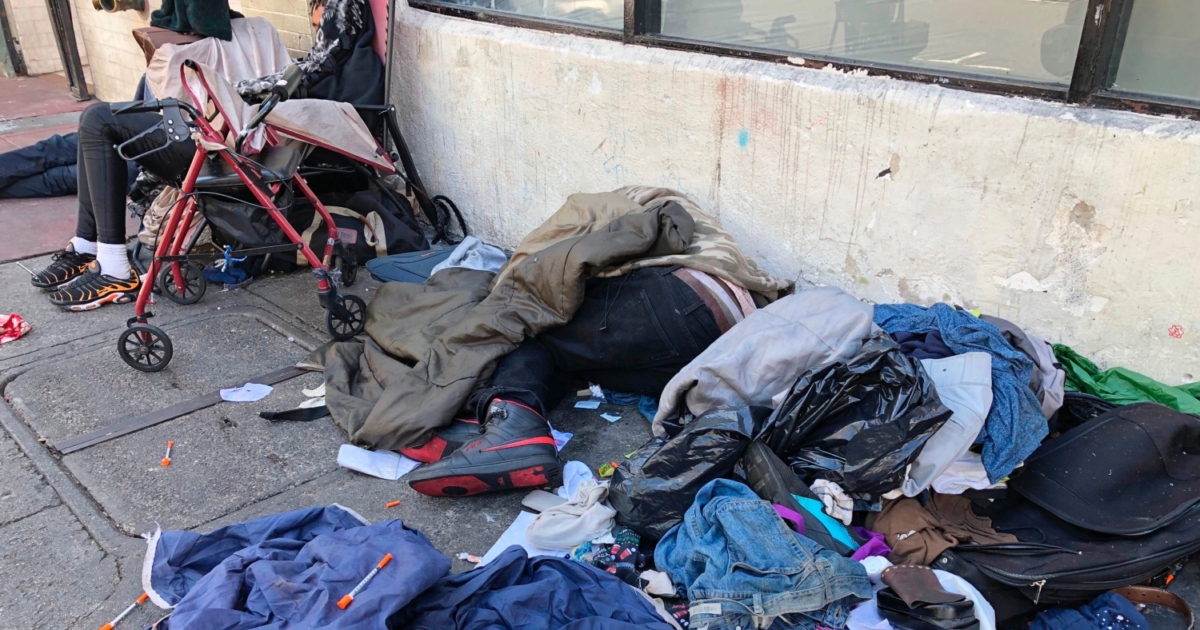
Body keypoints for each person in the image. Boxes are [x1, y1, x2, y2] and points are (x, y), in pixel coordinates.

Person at [30, 0, 380, 310]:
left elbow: (301, 91)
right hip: (229, 141)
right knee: (95, 124)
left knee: (97, 121)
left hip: (233, 153)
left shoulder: (337, 62)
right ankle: (91, 245)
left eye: (318, 25)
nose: (314, 28)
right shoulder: (328, 59)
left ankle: (110, 263)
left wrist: (235, 91)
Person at [401, 265, 760, 497]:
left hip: (689, 299)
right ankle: (502, 424)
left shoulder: (515, 276)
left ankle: (512, 424)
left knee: (523, 327)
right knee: (570, 361)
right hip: (718, 345)